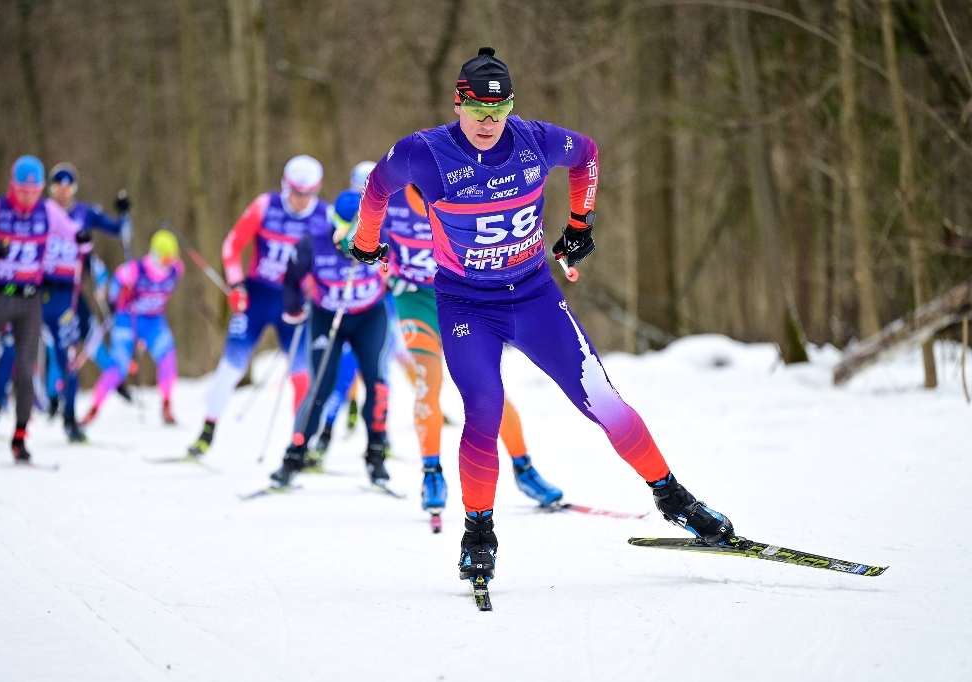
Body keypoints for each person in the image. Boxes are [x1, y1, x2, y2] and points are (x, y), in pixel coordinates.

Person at [350, 48, 734, 586]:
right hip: (466, 305)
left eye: (498, 110)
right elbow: (376, 187)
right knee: (484, 408)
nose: (488, 124)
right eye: (477, 111)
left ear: (510, 106)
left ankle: (674, 497)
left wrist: (579, 225)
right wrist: (367, 243)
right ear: (458, 103)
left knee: (603, 401)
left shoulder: (533, 139)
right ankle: (478, 532)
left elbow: (588, 156)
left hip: (532, 295)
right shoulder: (425, 153)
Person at [384, 184, 563, 523]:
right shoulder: (390, 200)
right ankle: (432, 473)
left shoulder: (466, 195)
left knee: (486, 389)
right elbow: (359, 234)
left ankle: (524, 469)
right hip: (415, 300)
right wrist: (350, 240)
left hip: (459, 298)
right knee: (428, 379)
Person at [0, 156, 88, 461]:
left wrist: (81, 238)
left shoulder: (47, 211)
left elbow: (73, 231)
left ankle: (20, 437)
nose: (28, 197)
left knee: (26, 370)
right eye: (23, 190)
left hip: (29, 300)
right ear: (13, 185)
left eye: (34, 191)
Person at [0, 163, 130, 441]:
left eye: (68, 187)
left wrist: (124, 212)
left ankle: (70, 419)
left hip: (64, 298)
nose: (63, 193)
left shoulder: (85, 213)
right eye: (58, 187)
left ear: (74, 189)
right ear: (49, 189)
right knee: (10, 351)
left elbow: (120, 231)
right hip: (33, 293)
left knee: (67, 357)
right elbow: (5, 237)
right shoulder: (39, 212)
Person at [185, 156, 323, 458]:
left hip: (295, 302)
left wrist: (320, 291)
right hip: (257, 295)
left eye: (308, 193)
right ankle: (206, 434)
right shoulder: (266, 206)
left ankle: (299, 444)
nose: (301, 200)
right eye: (296, 192)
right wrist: (235, 285)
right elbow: (231, 245)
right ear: (286, 186)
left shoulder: (324, 217)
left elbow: (329, 261)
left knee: (302, 372)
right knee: (231, 366)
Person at [270, 189, 392, 488]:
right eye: (343, 229)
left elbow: (399, 268)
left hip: (368, 317)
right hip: (328, 318)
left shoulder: (381, 237)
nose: (349, 237)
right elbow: (291, 278)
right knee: (321, 386)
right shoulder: (313, 243)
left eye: (357, 229)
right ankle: (294, 455)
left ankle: (376, 457)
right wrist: (294, 308)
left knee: (376, 384)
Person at [81, 229, 183, 425]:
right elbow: (113, 291)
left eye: (171, 259)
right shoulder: (134, 270)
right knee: (118, 367)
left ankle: (167, 405)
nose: (168, 263)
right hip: (128, 321)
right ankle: (93, 409)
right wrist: (115, 297)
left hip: (154, 322)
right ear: (155, 255)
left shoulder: (176, 269)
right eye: (164, 258)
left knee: (168, 358)